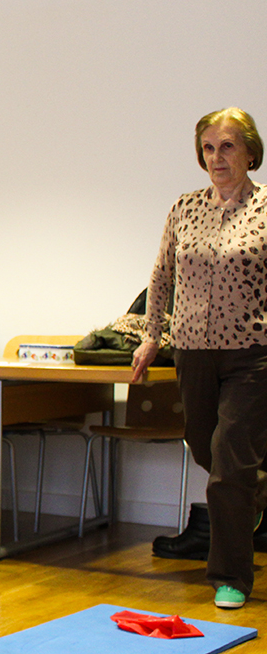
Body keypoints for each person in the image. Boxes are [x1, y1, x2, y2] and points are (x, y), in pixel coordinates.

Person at [132, 107, 267, 610]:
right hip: (191, 351)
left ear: (250, 151)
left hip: (251, 353)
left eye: (228, 146)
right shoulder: (185, 208)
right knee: (208, 451)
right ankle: (255, 494)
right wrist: (151, 336)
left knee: (230, 464)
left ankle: (230, 575)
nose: (217, 157)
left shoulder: (265, 208)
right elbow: (162, 276)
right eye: (209, 148)